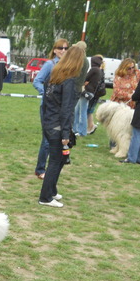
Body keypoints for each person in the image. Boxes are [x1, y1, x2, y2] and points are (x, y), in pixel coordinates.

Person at [38, 45, 85, 208]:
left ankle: (51, 191)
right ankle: (45, 197)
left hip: (49, 122)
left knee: (57, 159)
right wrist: (66, 134)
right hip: (57, 125)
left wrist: (45, 122)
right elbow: (66, 109)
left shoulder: (54, 75)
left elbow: (46, 101)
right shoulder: (69, 81)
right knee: (56, 161)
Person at [32, 38, 69, 179]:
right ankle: (40, 169)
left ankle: (51, 168)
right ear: (54, 50)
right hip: (48, 108)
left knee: (57, 140)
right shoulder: (50, 64)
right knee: (47, 139)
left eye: (66, 48)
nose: (63, 51)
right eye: (60, 48)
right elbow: (37, 81)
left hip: (61, 109)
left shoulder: (67, 66)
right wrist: (47, 94)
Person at [71, 40, 90, 137]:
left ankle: (79, 130)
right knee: (76, 110)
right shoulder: (84, 60)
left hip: (75, 87)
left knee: (77, 111)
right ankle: (75, 129)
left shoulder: (81, 60)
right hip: (78, 87)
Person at [84, 55, 105, 134]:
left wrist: (87, 82)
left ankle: (89, 127)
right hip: (97, 94)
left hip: (91, 92)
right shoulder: (101, 70)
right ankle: (91, 125)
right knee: (90, 111)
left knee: (87, 111)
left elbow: (85, 78)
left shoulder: (93, 69)